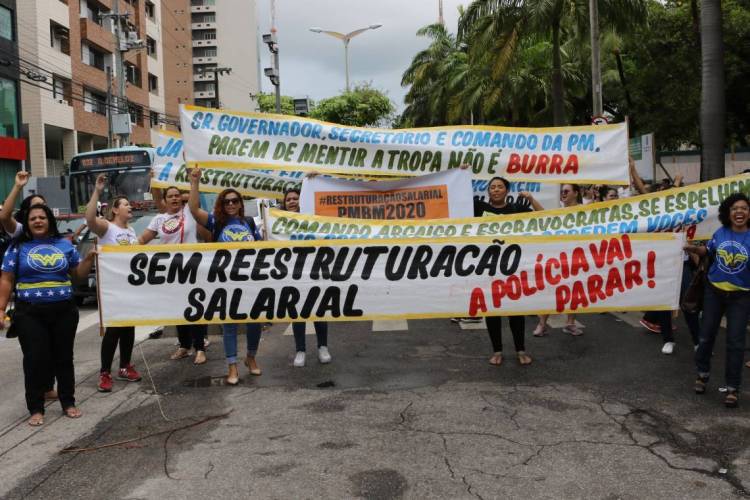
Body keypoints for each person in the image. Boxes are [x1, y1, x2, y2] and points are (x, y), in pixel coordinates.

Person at [0, 204, 95, 426]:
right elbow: (6, 279)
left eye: (42, 217)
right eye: (33, 218)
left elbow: (78, 276)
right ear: (28, 223)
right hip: (29, 313)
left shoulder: (65, 245)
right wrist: (1, 309)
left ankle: (68, 402)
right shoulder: (17, 246)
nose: (38, 221)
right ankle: (35, 407)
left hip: (64, 311)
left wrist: (89, 259)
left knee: (64, 358)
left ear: (50, 221)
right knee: (35, 360)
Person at [188, 168, 263, 383]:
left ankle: (251, 358)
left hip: (249, 282)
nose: (230, 204)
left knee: (254, 323)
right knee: (229, 325)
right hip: (226, 283)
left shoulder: (248, 223)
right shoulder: (216, 222)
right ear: (222, 204)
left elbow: (261, 250)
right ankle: (232, 367)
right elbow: (193, 209)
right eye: (226, 201)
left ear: (240, 203)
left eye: (234, 201)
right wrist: (195, 182)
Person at [685, 193, 750, 408]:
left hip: (741, 297)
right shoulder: (719, 233)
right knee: (705, 337)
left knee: (735, 343)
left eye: (743, 208)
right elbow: (708, 251)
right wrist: (694, 248)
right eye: (734, 209)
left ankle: (733, 388)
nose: (739, 212)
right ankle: (702, 375)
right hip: (714, 293)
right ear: (727, 213)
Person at [0, 171, 57, 400]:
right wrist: (17, 186)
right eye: (35, 209)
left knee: (54, 348)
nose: (40, 214)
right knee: (35, 352)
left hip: (56, 304)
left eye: (43, 208)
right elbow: (5, 216)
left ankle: (48, 386)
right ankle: (37, 392)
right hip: (28, 307)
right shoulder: (22, 232)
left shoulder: (54, 235)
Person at [474, 177, 542, 366]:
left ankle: (520, 349)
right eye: (492, 187)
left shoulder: (516, 210)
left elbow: (544, 217)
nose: (495, 190)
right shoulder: (478, 208)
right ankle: (497, 351)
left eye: (500, 187)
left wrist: (531, 199)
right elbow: (454, 202)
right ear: (488, 191)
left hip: (513, 269)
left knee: (515, 311)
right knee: (493, 311)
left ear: (507, 191)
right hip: (488, 269)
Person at [85, 174, 142, 392]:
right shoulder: (107, 228)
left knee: (128, 327)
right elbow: (90, 219)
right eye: (126, 204)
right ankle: (105, 373)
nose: (130, 207)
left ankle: (125, 366)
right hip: (112, 289)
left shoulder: (131, 231)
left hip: (130, 287)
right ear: (116, 210)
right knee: (114, 330)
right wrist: (97, 191)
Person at [139, 185, 208, 364]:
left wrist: (194, 180)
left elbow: (194, 198)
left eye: (177, 195)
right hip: (172, 271)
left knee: (195, 308)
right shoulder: (159, 219)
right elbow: (141, 240)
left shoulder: (189, 212)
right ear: (165, 200)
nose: (175, 198)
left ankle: (200, 348)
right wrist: (116, 249)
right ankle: (184, 346)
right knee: (178, 309)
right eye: (170, 196)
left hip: (193, 268)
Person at [280, 188, 332, 367]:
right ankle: (300, 350)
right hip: (293, 274)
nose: (292, 202)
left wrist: (315, 178)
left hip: (314, 271)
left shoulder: (312, 219)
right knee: (298, 313)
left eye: (295, 198)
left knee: (319, 310)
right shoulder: (278, 223)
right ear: (284, 204)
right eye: (289, 200)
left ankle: (322, 347)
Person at [534, 184, 583, 336]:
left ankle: (570, 323)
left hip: (577, 258)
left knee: (575, 291)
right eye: (562, 191)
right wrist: (530, 198)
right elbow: (542, 214)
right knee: (552, 291)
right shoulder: (559, 212)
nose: (563, 194)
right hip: (558, 258)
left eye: (566, 191)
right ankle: (542, 325)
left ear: (576, 193)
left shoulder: (586, 211)